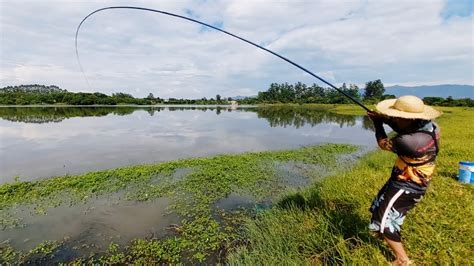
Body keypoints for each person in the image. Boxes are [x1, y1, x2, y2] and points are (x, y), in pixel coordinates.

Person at [366, 95, 442, 266]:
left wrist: (378, 123)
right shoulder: (432, 127)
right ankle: (382, 236)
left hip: (408, 184)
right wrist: (386, 119)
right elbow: (405, 128)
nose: (393, 118)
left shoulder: (407, 141)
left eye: (396, 117)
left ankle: (402, 259)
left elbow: (383, 143)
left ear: (407, 119)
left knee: (387, 222)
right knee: (379, 206)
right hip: (406, 178)